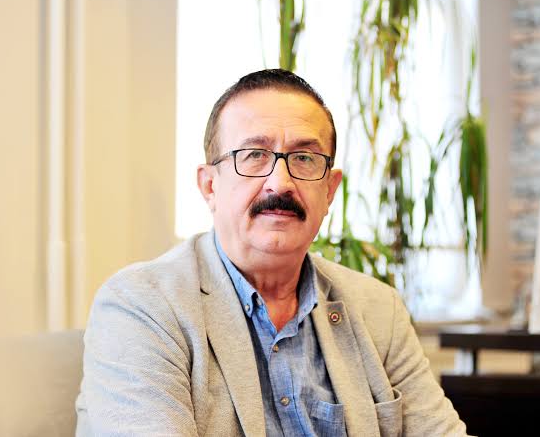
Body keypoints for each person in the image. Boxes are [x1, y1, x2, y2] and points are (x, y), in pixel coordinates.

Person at [75, 69, 468, 436]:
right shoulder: (142, 306)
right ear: (210, 186)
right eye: (254, 155)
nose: (280, 183)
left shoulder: (379, 311)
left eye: (304, 158)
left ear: (329, 190)